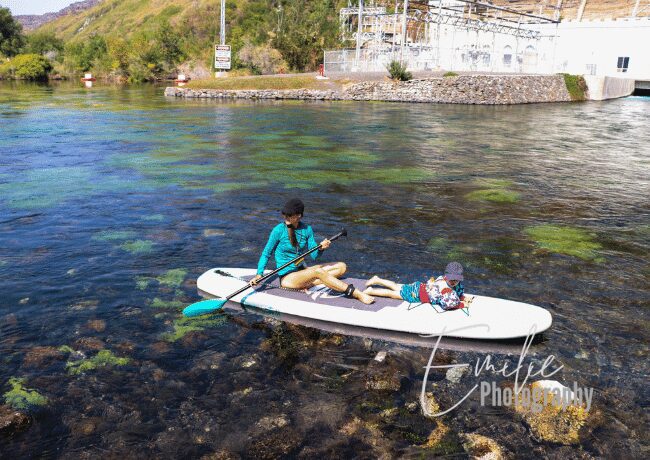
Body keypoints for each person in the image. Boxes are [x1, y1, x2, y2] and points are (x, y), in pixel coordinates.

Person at [250, 198, 374, 305]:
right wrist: (259, 274)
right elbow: (266, 253)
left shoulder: (307, 229)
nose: (285, 218)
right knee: (318, 271)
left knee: (342, 267)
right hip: (288, 278)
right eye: (285, 215)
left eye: (289, 215)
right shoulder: (278, 230)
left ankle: (312, 281)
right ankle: (356, 293)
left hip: (303, 271)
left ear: (299, 215)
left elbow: (314, 256)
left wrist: (321, 248)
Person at [363, 262, 472, 310]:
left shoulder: (443, 279)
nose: (453, 282)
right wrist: (462, 305)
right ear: (447, 277)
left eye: (456, 280)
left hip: (419, 287)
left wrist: (462, 297)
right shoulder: (444, 288)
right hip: (415, 295)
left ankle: (377, 279)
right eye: (451, 280)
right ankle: (371, 291)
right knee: (392, 294)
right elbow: (448, 305)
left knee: (396, 286)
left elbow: (456, 292)